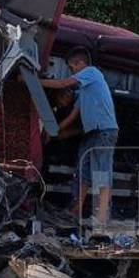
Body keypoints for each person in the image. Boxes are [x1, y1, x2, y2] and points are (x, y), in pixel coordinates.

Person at [40, 48, 118, 229]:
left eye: (72, 67)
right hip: (91, 133)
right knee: (83, 173)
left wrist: (34, 82)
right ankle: (76, 209)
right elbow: (72, 117)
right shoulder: (84, 90)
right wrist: (53, 132)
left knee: (101, 174)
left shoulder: (92, 72)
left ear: (81, 64)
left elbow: (62, 84)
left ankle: (102, 217)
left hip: (103, 132)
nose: (71, 71)